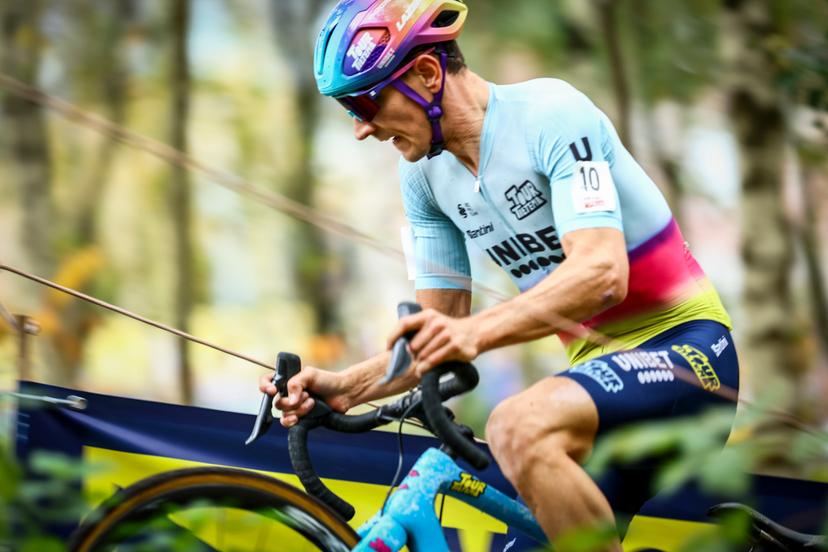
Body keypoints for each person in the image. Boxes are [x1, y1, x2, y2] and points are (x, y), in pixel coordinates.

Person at [259, 0, 740, 549]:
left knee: (513, 426)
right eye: (347, 108)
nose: (360, 129)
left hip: (689, 356)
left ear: (426, 72)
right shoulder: (422, 180)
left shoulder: (551, 114)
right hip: (598, 391)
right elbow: (438, 336)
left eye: (365, 100)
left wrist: (472, 333)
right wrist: (343, 387)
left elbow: (604, 273)